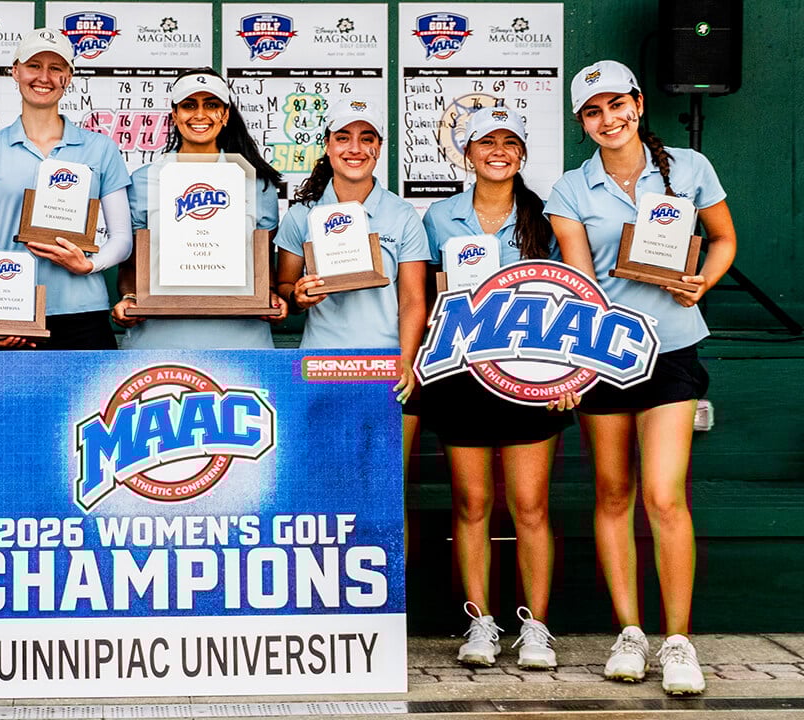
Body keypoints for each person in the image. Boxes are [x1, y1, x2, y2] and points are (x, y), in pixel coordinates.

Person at [545, 60, 736, 695]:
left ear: (637, 103)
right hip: (604, 353)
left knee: (664, 495)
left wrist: (702, 282)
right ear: (582, 123)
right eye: (593, 111)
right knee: (612, 493)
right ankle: (630, 632)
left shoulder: (690, 167)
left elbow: (723, 240)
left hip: (673, 348)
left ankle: (678, 640)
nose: (608, 119)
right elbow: (579, 281)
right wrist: (578, 360)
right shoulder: (569, 189)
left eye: (616, 104)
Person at [421, 108, 573, 669]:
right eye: (487, 141)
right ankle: (480, 622)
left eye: (511, 141)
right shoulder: (439, 217)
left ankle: (536, 627)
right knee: (472, 504)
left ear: (523, 153)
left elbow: (570, 299)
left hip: (531, 377)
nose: (499, 150)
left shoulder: (545, 216)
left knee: (530, 507)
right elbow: (425, 296)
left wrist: (570, 373)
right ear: (467, 151)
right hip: (462, 377)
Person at [275, 102, 429, 465]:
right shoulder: (302, 214)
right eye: (343, 138)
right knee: (323, 479)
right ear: (328, 147)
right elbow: (283, 286)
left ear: (379, 148)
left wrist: (406, 360)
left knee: (387, 486)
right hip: (320, 364)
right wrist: (297, 296)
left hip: (386, 365)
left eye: (367, 138)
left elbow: (412, 299)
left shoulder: (403, 215)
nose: (355, 148)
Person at [0, 28, 132, 349]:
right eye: (33, 66)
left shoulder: (100, 149)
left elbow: (122, 238)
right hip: (12, 308)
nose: (44, 77)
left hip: (83, 310)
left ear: (69, 77)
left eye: (56, 68)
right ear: (15, 71)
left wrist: (89, 265)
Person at [110, 68, 287, 345]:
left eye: (212, 105)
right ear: (174, 114)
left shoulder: (255, 181)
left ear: (225, 114)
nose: (200, 115)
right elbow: (132, 264)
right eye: (189, 105)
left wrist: (271, 294)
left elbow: (263, 263)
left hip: (241, 338)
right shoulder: (144, 180)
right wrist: (130, 297)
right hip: (160, 338)